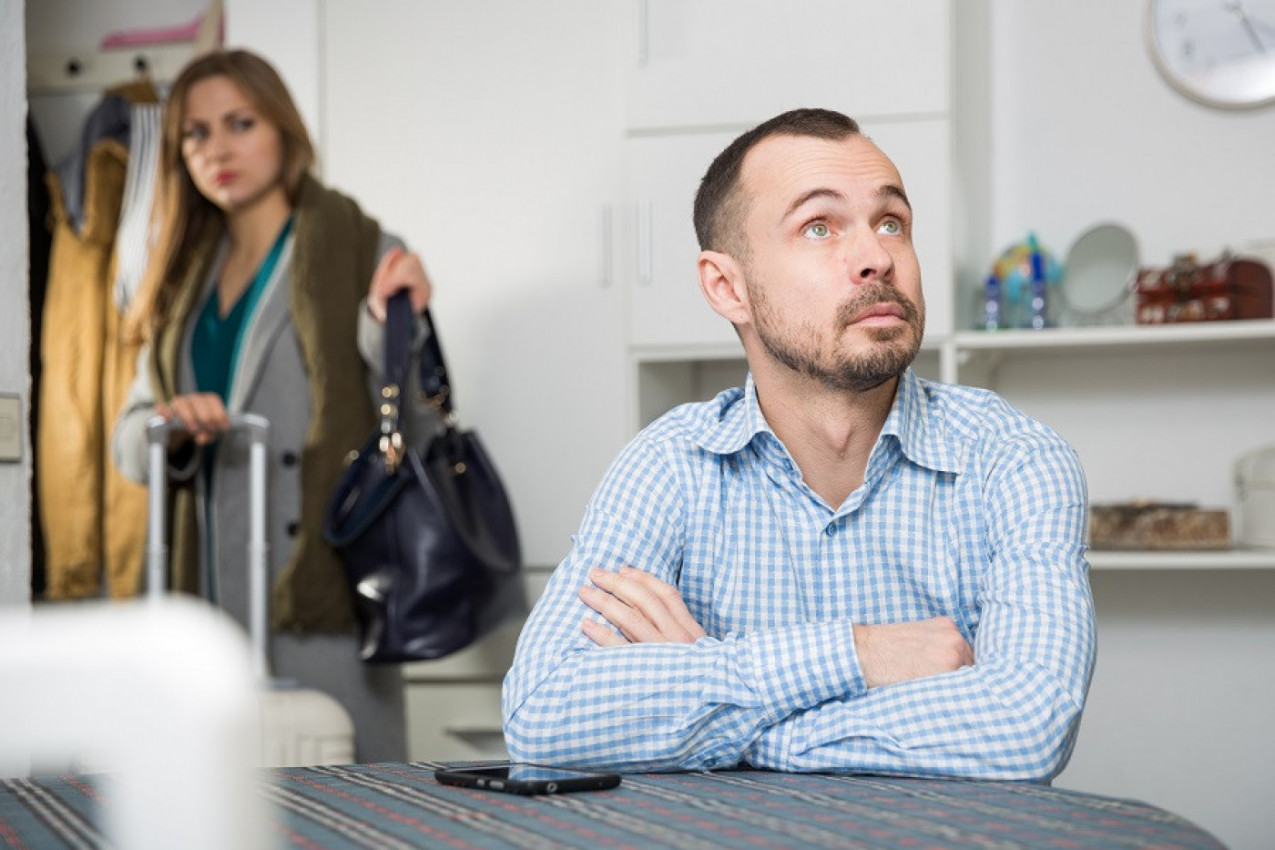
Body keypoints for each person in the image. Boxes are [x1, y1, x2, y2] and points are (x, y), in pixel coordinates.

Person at [502, 108, 1096, 781]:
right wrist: (858, 655)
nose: (877, 256)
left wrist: (722, 708)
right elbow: (543, 715)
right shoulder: (667, 465)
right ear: (727, 287)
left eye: (890, 222)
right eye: (819, 226)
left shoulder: (1014, 460)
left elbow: (1023, 729)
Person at [113, 49, 438, 763]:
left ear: (283, 130)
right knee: (208, 813)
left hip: (321, 591)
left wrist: (395, 332)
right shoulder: (174, 276)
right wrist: (173, 426)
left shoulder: (365, 251)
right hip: (198, 600)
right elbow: (128, 442)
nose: (217, 149)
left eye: (240, 122)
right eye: (195, 134)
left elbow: (414, 429)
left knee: (346, 810)